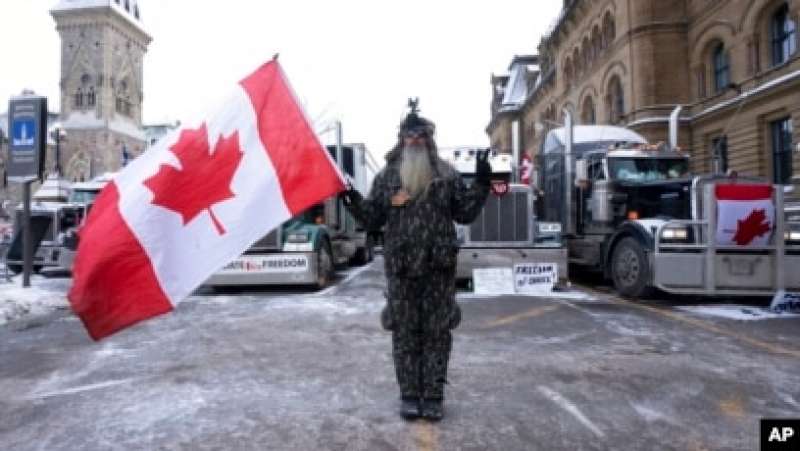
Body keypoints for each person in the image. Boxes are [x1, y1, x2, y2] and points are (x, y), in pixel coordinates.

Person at [340, 100, 492, 421]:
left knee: (438, 333)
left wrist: (481, 183)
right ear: (401, 139)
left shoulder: (447, 174)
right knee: (405, 333)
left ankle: (433, 395)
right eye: (409, 135)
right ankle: (409, 394)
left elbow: (464, 213)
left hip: (438, 269)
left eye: (420, 135)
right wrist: (352, 200)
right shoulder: (387, 177)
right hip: (402, 268)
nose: (415, 141)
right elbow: (372, 218)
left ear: (429, 138)